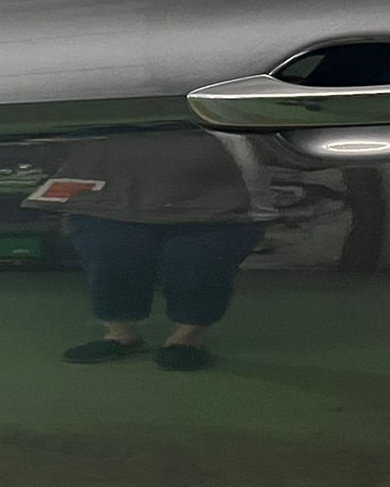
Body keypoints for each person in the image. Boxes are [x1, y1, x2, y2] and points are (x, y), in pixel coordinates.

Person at [26, 129, 274, 371]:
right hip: (105, 193)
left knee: (198, 268)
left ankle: (188, 338)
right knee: (109, 261)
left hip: (218, 198)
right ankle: (120, 334)